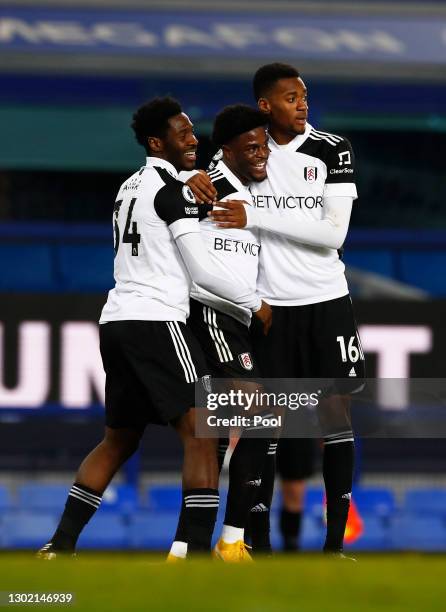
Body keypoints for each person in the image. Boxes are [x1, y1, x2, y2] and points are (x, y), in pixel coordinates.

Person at [37, 96, 265, 559]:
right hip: (157, 317)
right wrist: (254, 301)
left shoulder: (128, 187)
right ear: (157, 142)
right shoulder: (173, 189)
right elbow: (206, 251)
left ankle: (59, 546)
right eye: (183, 134)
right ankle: (194, 550)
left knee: (118, 439)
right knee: (203, 430)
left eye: (192, 132)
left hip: (117, 319)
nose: (192, 140)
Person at [210, 63, 365, 557]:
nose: (302, 103)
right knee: (261, 426)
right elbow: (203, 187)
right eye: (291, 97)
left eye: (304, 96)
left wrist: (255, 214)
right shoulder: (242, 155)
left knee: (335, 419)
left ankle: (334, 547)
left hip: (326, 302)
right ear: (265, 105)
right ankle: (251, 544)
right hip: (270, 311)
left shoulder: (331, 150)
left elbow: (333, 234)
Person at [170, 104, 277, 562]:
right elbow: (200, 268)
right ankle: (232, 541)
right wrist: (253, 302)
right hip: (214, 317)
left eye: (264, 147)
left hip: (233, 321)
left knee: (212, 438)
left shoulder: (245, 190)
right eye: (251, 148)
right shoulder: (207, 189)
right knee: (261, 418)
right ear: (226, 149)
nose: (261, 155)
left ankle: (183, 549)